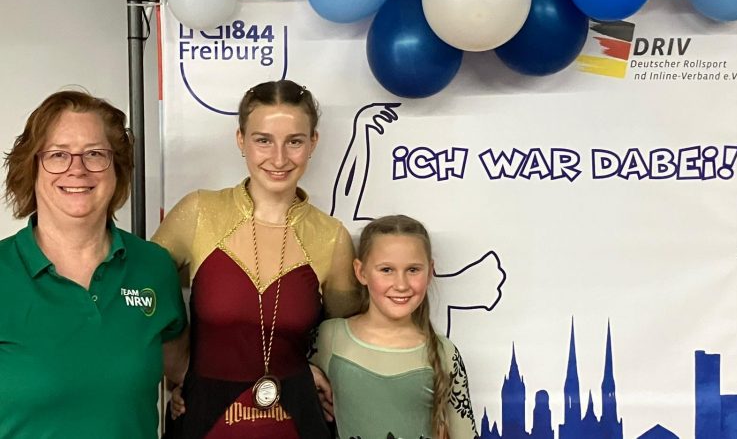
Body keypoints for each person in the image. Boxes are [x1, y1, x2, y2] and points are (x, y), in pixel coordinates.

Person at [153, 79, 360, 438]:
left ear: (313, 142)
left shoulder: (331, 236)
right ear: (241, 140)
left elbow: (345, 330)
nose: (279, 159)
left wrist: (311, 369)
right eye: (263, 140)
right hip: (202, 414)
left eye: (294, 141)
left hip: (297, 416)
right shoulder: (199, 212)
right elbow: (140, 288)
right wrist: (175, 365)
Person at [0, 90, 188, 438]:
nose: (77, 169)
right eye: (58, 155)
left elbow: (186, 374)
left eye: (95, 154)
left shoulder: (154, 266)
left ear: (117, 168)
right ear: (32, 167)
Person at [311, 214, 479, 439]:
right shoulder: (329, 338)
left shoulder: (445, 353)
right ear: (361, 272)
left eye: (413, 270)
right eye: (386, 270)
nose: (401, 284)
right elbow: (284, 374)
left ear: (430, 271)